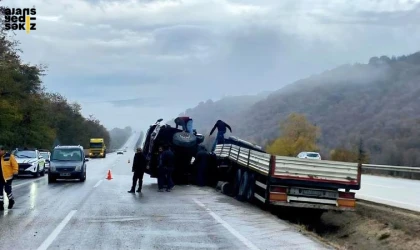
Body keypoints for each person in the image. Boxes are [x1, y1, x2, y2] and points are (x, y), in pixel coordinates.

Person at [0, 145, 18, 210]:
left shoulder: (10, 156)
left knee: (8, 190)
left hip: (8, 177)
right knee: (0, 192)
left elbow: (15, 165)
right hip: (0, 177)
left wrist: (15, 172)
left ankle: (11, 201)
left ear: (3, 150)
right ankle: (0, 204)